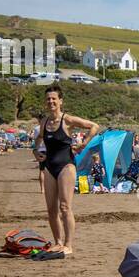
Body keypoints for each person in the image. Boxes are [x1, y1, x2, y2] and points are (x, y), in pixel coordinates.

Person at [36, 85, 99, 256]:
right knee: (51, 209)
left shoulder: (67, 120)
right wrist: (36, 151)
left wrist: (84, 143)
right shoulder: (44, 122)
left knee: (65, 207)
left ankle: (68, 244)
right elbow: (38, 139)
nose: (51, 102)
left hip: (66, 166)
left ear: (60, 101)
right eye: (48, 99)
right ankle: (57, 242)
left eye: (54, 99)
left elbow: (94, 126)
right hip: (49, 167)